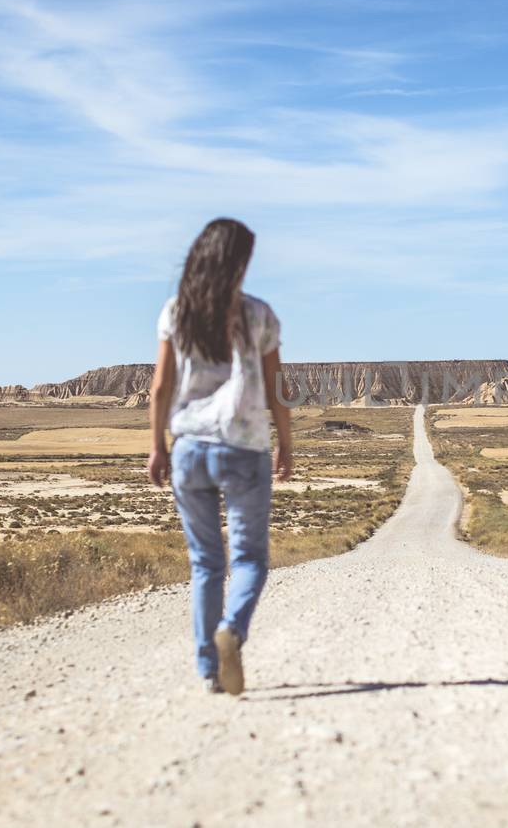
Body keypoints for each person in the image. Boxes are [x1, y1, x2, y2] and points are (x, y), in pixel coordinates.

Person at [148, 218, 293, 695]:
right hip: (243, 447)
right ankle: (232, 628)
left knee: (206, 564)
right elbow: (276, 389)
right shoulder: (259, 315)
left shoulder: (176, 312)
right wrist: (287, 444)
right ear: (238, 262)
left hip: (188, 448)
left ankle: (208, 669)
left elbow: (160, 388)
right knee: (250, 558)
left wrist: (157, 446)